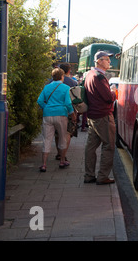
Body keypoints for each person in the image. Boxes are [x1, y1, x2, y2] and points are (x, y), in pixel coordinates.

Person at [84, 51, 117, 185]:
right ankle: (103, 176)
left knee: (91, 146)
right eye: (106, 59)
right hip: (103, 116)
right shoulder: (99, 77)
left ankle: (88, 175)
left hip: (92, 115)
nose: (110, 62)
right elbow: (108, 98)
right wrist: (113, 92)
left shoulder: (89, 75)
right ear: (98, 61)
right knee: (108, 145)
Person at [37, 68, 77, 172]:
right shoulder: (65, 88)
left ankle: (44, 164)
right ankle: (62, 161)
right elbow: (68, 103)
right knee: (62, 137)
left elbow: (40, 100)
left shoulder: (47, 87)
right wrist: (72, 114)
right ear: (62, 76)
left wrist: (46, 107)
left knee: (47, 139)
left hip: (47, 115)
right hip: (61, 115)